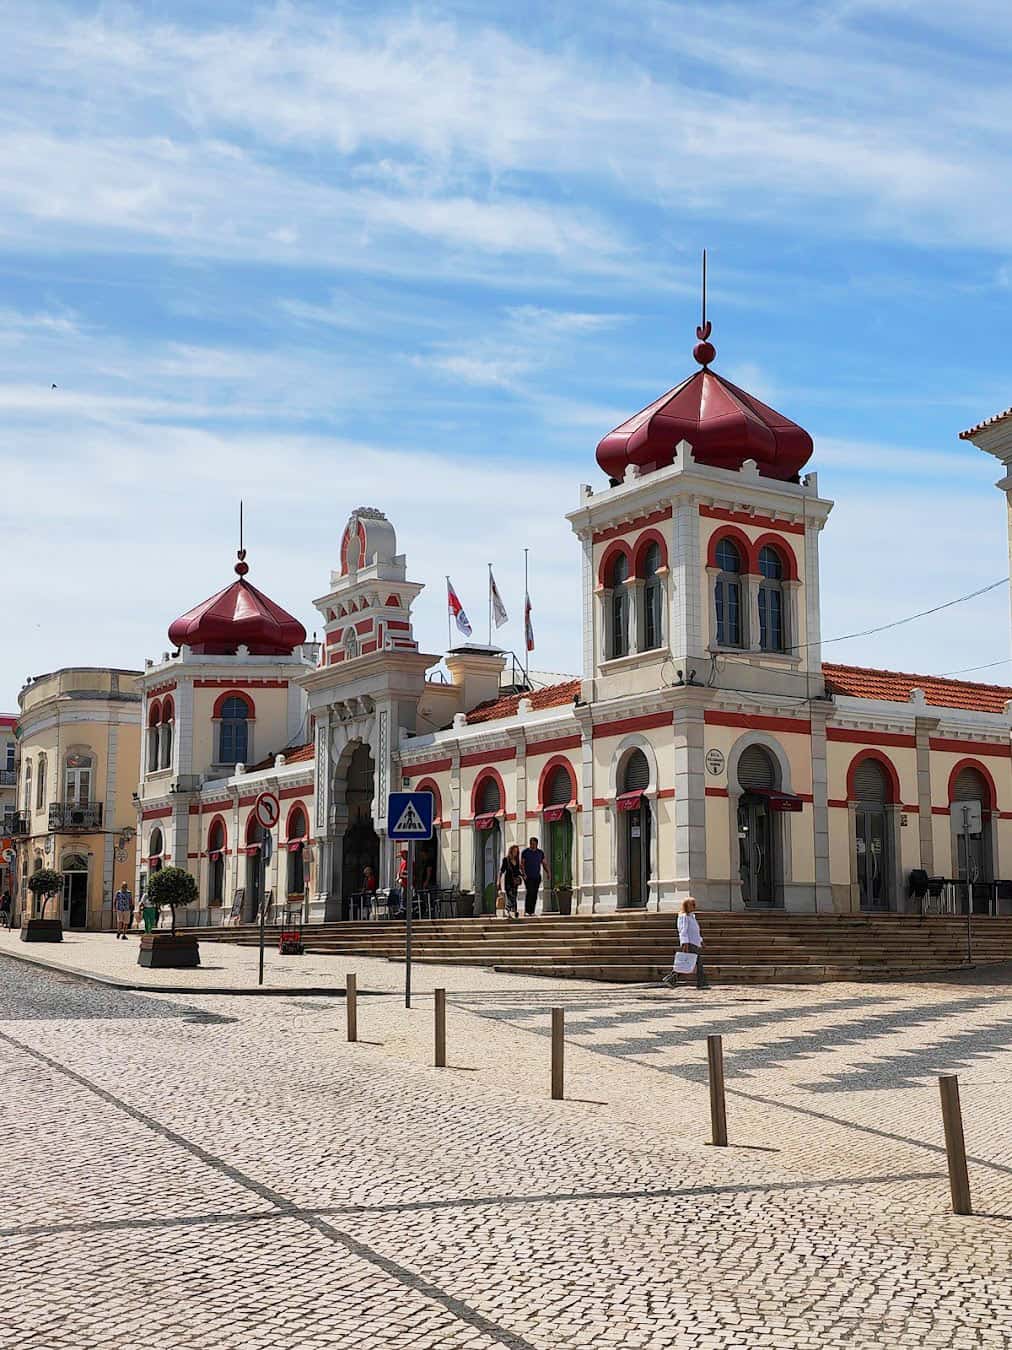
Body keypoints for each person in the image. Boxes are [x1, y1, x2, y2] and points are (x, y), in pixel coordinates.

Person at [662, 896, 710, 990]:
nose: (694, 906)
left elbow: (695, 931)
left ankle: (671, 978)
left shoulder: (692, 916)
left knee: (688, 964)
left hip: (695, 943)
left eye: (694, 904)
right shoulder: (684, 917)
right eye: (692, 904)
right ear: (687, 906)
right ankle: (702, 983)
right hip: (690, 943)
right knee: (693, 963)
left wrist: (701, 941)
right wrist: (685, 943)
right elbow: (683, 931)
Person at [520, 837, 550, 917]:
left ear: (537, 844)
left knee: (535, 893)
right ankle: (527, 911)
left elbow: (544, 863)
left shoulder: (540, 853)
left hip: (537, 876)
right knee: (529, 892)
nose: (532, 845)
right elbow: (522, 864)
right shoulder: (525, 852)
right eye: (531, 843)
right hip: (528, 876)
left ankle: (532, 911)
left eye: (534, 844)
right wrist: (523, 874)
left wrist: (548, 872)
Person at [498, 844, 522, 919]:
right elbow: (501, 871)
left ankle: (512, 911)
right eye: (514, 851)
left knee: (514, 896)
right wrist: (498, 881)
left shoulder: (517, 861)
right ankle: (510, 910)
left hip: (515, 882)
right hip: (508, 881)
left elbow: (517, 871)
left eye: (517, 851)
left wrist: (523, 875)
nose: (516, 853)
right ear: (511, 851)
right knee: (510, 896)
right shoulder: (506, 860)